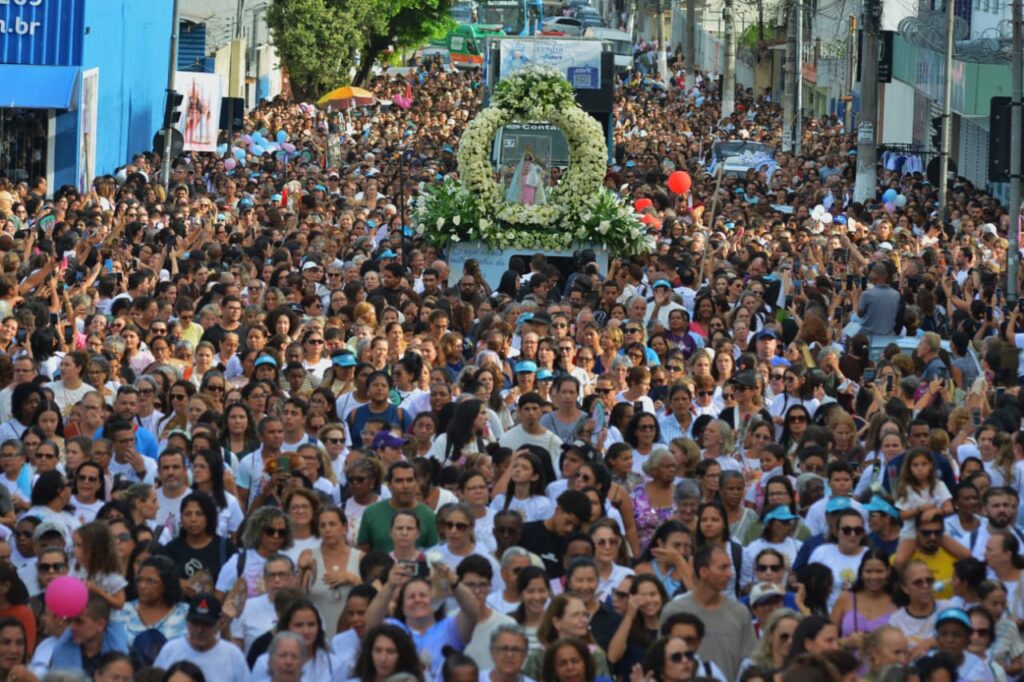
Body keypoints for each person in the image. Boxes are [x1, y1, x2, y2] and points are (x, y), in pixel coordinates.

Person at [659, 545, 756, 681]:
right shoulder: (674, 610)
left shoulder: (740, 613)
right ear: (704, 572)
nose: (729, 574)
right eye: (723, 568)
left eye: (729, 567)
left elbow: (749, 663)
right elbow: (660, 658)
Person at [153, 593, 250, 682]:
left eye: (206, 624)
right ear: (187, 621)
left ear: (218, 624)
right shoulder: (170, 650)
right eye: (195, 623)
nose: (199, 630)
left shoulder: (233, 655)